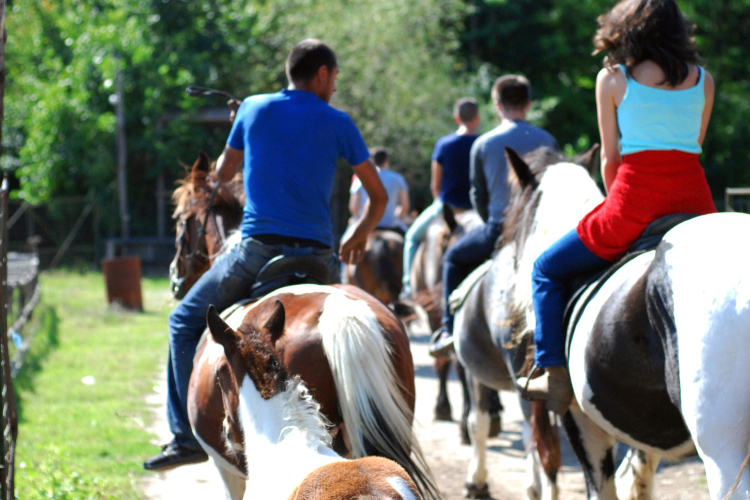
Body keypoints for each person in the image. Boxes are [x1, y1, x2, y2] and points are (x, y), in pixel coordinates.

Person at [144, 39, 388, 471]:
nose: (335, 86)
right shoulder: (339, 121)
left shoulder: (254, 109)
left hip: (258, 251)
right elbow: (378, 195)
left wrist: (242, 126)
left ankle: (185, 437)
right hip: (321, 257)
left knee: (182, 321)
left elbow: (221, 176)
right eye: (334, 77)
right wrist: (361, 232)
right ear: (321, 74)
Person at [517, 0, 717, 415]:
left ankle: (552, 371)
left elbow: (610, 159)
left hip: (634, 205)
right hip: (695, 204)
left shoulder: (613, 80)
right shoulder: (704, 81)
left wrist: (615, 204)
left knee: (546, 269)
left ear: (628, 29)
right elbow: (692, 147)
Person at [429, 75, 558, 357]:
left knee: (452, 258)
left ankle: (449, 330)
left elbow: (479, 196)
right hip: (539, 231)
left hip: (499, 230)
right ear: (528, 104)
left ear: (497, 105)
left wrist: (492, 222)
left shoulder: (484, 144)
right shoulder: (547, 140)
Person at [401, 98, 479, 299]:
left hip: (448, 207)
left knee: (411, 238)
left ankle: (408, 288)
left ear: (456, 118)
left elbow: (435, 184)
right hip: (476, 209)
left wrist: (440, 203)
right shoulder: (482, 144)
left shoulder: (444, 144)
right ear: (477, 118)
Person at [349, 146, 409, 235]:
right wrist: (395, 216)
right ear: (386, 161)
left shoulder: (360, 179)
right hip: (391, 225)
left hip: (365, 226)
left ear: (371, 161)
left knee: (344, 243)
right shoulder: (398, 179)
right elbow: (404, 207)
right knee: (411, 239)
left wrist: (357, 218)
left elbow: (354, 208)